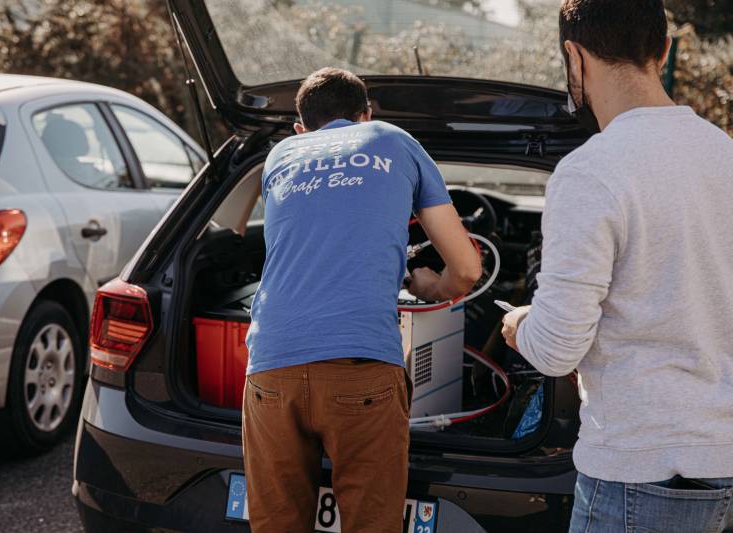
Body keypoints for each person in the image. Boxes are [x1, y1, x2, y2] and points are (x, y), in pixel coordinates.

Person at [501, 1, 733, 531]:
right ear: (664, 50)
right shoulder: (724, 154)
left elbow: (558, 349)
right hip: (720, 461)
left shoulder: (591, 171)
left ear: (573, 56)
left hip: (638, 468)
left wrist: (519, 326)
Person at [242, 67, 482, 533]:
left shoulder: (280, 154)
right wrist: (431, 287)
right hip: (361, 369)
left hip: (271, 369)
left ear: (300, 129)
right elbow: (469, 269)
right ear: (366, 115)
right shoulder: (392, 139)